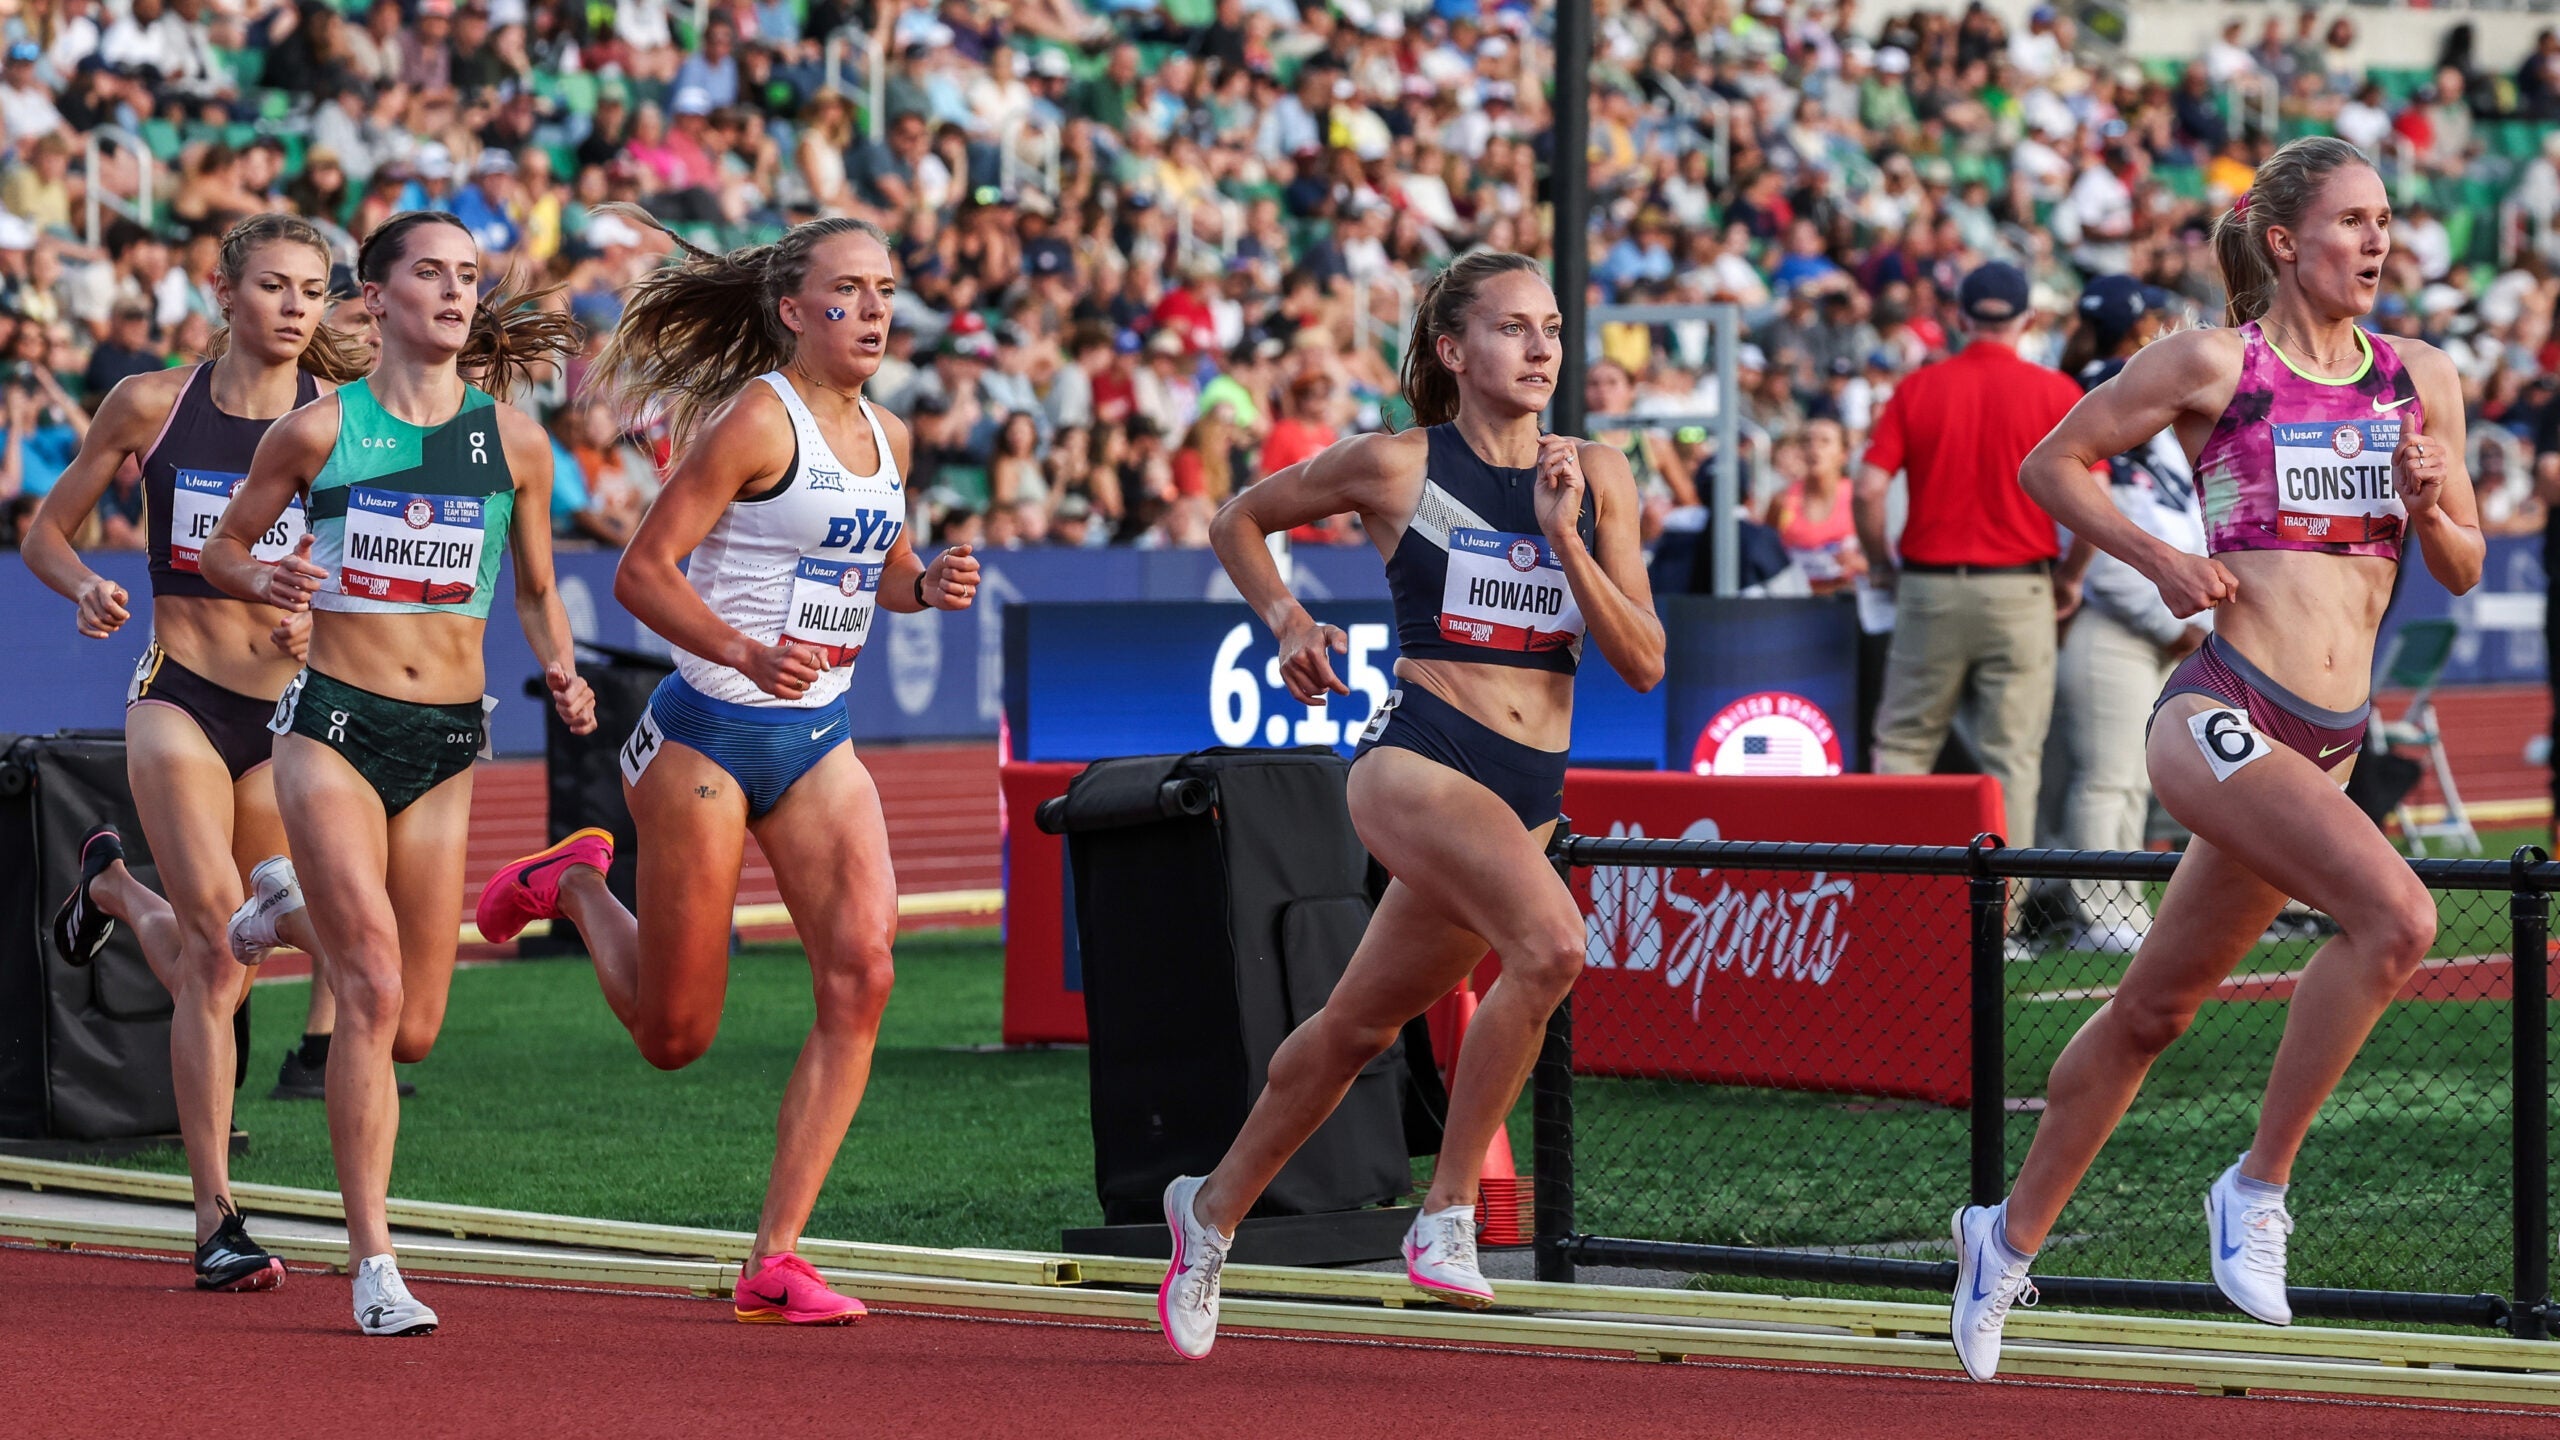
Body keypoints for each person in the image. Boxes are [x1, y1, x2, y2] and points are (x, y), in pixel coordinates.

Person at [1957, 137, 2481, 1381]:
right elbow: (2048, 466)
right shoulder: (2213, 361)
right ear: (2288, 242)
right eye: (2354, 220)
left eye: (2387, 219)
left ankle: (2003, 1240)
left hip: (2331, 743)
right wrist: (2157, 559)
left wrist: (2434, 501)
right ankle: (2256, 1185)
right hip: (2219, 709)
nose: (2379, 240)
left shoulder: (2419, 378)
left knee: (2152, 1008)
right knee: (2397, 919)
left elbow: (2457, 566)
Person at [470, 206, 982, 1326]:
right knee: (673, 1037)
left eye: (888, 292)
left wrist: (924, 585)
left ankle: (774, 1258)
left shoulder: (892, 438)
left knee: (866, 972)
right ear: (794, 312)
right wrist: (749, 651)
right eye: (849, 292)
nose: (875, 312)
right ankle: (575, 882)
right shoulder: (759, 420)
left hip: (818, 741)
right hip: (703, 734)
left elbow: (879, 572)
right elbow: (643, 576)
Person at [1156, 252, 1664, 1359]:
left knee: (1354, 1027)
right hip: (1420, 758)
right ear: (1451, 350)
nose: (1540, 350)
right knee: (1552, 946)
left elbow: (1643, 661)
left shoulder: (1599, 473)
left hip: (1529, 788)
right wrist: (1290, 622)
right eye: (1511, 330)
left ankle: (1208, 1212)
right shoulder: (1392, 467)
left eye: (1553, 329)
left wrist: (1566, 536)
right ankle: (1446, 1214)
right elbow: (1238, 518)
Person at [200, 210, 595, 1338]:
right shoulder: (322, 432)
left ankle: (278, 905)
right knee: (369, 987)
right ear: (372, 299)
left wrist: (562, 670)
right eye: (430, 272)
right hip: (330, 722)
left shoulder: (514, 442)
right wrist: (267, 578)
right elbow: (223, 546)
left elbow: (530, 588)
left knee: (412, 1021)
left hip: (447, 740)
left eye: (470, 275)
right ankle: (375, 1262)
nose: (456, 290)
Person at [22, 213, 370, 1292]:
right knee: (221, 955)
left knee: (230, 956)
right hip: (176, 692)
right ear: (224, 291)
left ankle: (117, 892)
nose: (293, 307)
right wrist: (84, 585)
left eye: (311, 290)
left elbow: (363, 572)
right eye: (272, 286)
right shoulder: (150, 404)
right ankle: (216, 1218)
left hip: (282, 718)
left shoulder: (344, 422)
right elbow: (47, 527)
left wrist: (322, 619)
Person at [1852, 260, 2085, 876]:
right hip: (2021, 589)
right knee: (2011, 758)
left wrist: (1880, 564)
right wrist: (2071, 577)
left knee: (1903, 745)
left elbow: (1868, 489)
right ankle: (2003, 920)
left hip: (1930, 588)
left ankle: (1891, 897)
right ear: (2027, 320)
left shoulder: (1919, 388)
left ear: (1959, 317)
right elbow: (2094, 500)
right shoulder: (2055, 392)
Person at [2036, 276, 2207, 954]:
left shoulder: (2165, 451)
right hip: (2113, 624)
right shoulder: (2095, 458)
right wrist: (2179, 624)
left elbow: (2190, 532)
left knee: (2130, 777)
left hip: (2161, 627)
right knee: (2105, 775)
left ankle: (2121, 908)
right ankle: (2101, 911)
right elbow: (2105, 560)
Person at [1763, 417, 1864, 593]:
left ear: (1844, 454)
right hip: (1796, 605)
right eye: (1807, 441)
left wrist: (1859, 564)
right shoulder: (1782, 501)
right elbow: (1764, 555)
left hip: (1848, 602)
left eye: (1825, 441)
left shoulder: (1859, 498)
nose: (1814, 448)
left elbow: (1885, 563)